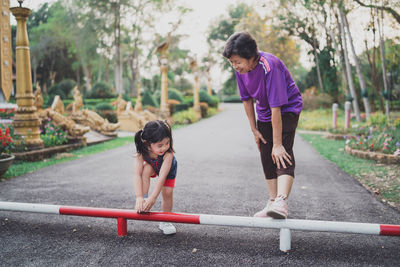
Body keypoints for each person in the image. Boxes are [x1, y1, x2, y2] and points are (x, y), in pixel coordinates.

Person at [223, 32, 303, 219]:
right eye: (231, 62)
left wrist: (277, 144)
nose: (235, 66)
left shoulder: (270, 66)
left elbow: (277, 107)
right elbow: (246, 100)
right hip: (265, 111)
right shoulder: (241, 71)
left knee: (281, 152)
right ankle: (272, 201)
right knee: (266, 155)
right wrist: (254, 130)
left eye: (237, 61)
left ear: (252, 57)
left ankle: (281, 201)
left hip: (286, 109)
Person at [133, 120, 178, 234]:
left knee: (167, 192)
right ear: (148, 143)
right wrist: (139, 197)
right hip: (153, 166)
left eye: (167, 143)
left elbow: (162, 177)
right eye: (160, 145)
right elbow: (136, 174)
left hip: (168, 170)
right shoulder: (142, 152)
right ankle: (144, 199)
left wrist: (153, 198)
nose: (164, 147)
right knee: (145, 170)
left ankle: (166, 220)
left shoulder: (168, 154)